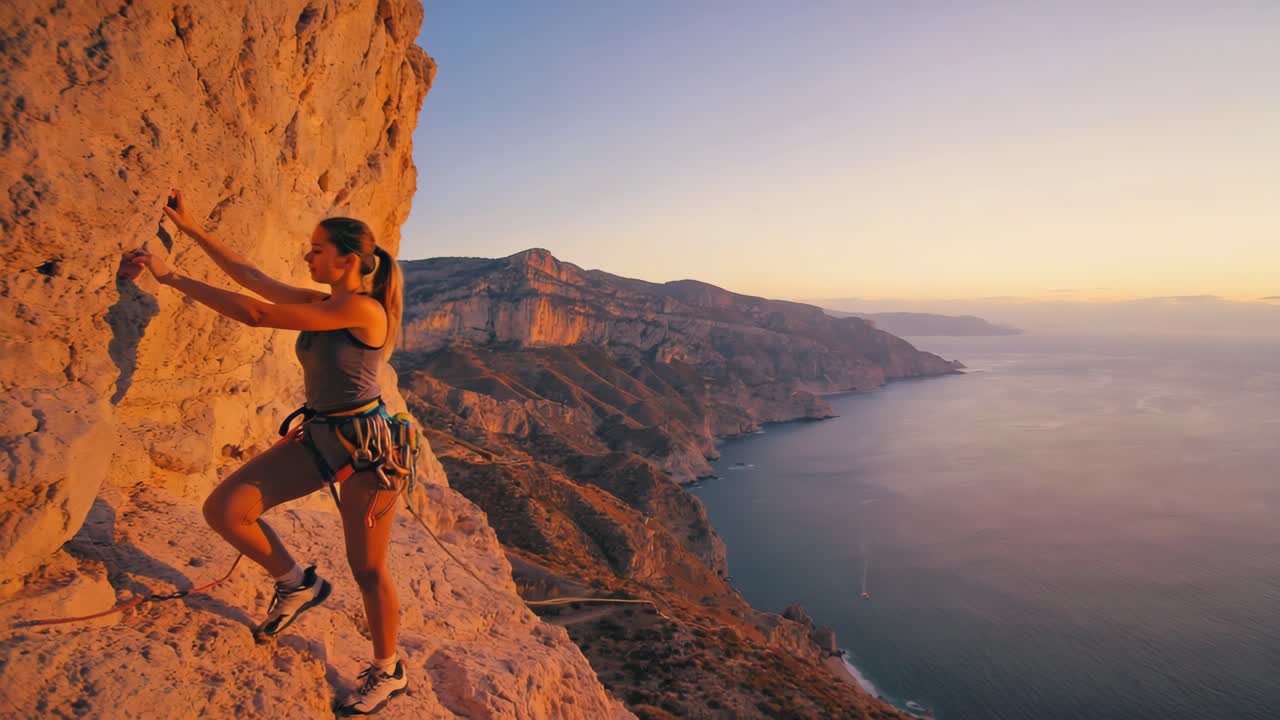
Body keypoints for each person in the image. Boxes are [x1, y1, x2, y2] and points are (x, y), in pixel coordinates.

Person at [125, 190, 409, 716]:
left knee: (368, 569)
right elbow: (253, 279)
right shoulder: (325, 302)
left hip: (370, 450)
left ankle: (389, 669)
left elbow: (256, 313)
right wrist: (190, 229)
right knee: (227, 510)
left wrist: (171, 278)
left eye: (318, 249)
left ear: (348, 259)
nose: (309, 256)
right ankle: (297, 584)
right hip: (324, 436)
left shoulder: (361, 309)